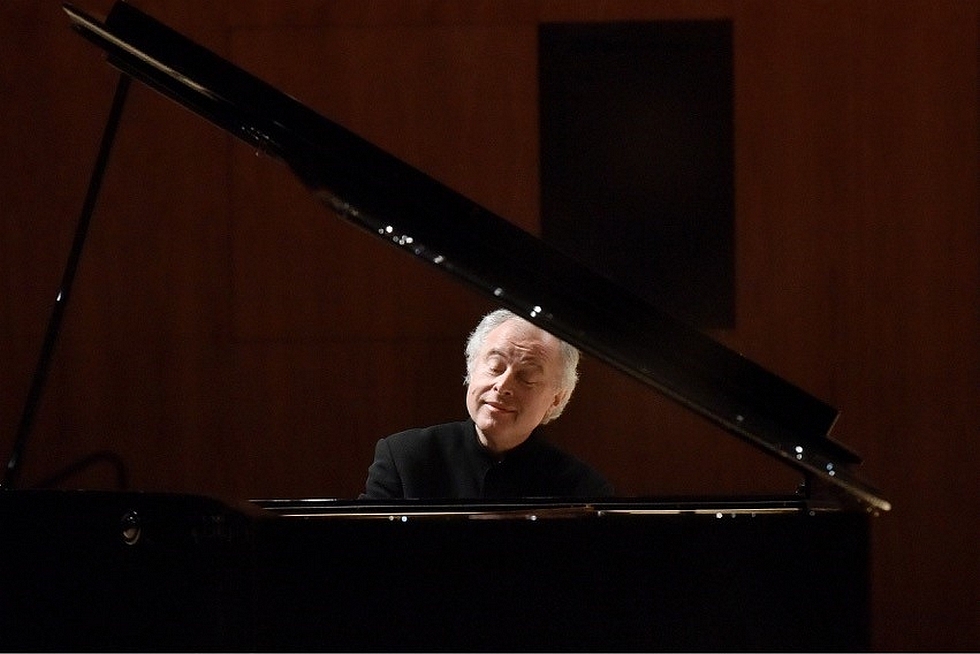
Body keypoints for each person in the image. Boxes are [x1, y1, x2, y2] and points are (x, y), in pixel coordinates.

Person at [359, 308, 614, 499]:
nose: (502, 386)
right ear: (471, 368)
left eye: (526, 377)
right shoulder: (405, 458)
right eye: (495, 367)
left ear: (557, 399)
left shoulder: (583, 491)